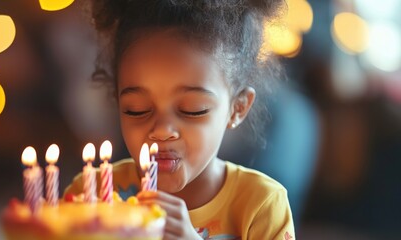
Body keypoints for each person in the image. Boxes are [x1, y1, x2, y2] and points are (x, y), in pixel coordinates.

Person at [65, 0, 295, 239]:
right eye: (137, 109)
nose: (162, 130)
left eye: (192, 110)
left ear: (237, 108)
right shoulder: (92, 194)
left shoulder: (261, 205)